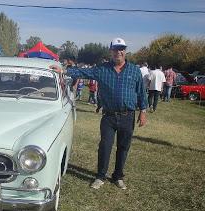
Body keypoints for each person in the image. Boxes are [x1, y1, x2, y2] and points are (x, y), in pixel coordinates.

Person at [51, 37, 147, 190]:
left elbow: (141, 92)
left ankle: (118, 176)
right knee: (105, 146)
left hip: (128, 116)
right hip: (108, 116)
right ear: (111, 51)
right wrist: (64, 70)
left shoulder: (134, 70)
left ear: (125, 51)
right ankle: (100, 176)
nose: (118, 52)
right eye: (115, 49)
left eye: (121, 49)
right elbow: (84, 72)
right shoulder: (103, 69)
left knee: (123, 147)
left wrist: (143, 111)